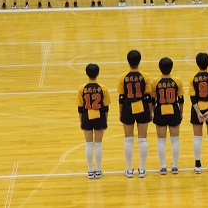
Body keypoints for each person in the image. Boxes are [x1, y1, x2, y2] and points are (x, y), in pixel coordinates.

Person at [118, 50, 153, 178]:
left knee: (128, 139)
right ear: (139, 61)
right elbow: (149, 97)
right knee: (143, 139)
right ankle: (142, 169)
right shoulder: (145, 76)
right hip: (142, 106)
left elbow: (121, 98)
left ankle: (129, 169)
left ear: (128, 62)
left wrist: (121, 112)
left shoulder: (123, 77)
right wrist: (151, 111)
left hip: (128, 107)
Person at [151, 57, 184, 175]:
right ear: (172, 67)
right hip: (173, 109)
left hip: (160, 109)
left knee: (161, 140)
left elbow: (152, 99)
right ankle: (175, 166)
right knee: (175, 140)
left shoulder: (155, 81)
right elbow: (181, 99)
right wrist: (181, 112)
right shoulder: (177, 81)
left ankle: (163, 166)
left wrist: (153, 112)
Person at [77, 63, 111, 180]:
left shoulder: (82, 88)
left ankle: (90, 171)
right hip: (99, 115)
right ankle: (98, 170)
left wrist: (82, 121)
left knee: (88, 145)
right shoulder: (103, 88)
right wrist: (105, 120)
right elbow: (106, 107)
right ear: (98, 73)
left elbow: (80, 108)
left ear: (86, 73)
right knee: (98, 144)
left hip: (87, 116)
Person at [189, 52, 208, 173]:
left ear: (197, 63)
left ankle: (197, 165)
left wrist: (198, 112)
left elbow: (193, 98)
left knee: (197, 137)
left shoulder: (193, 77)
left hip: (197, 109)